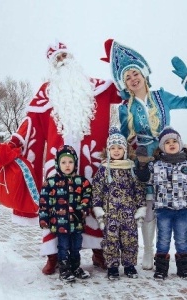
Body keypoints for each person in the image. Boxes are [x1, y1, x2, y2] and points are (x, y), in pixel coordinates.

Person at [0, 41, 122, 275]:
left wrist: (122, 65)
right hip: (58, 162)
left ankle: (99, 252)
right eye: (56, 59)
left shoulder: (96, 87)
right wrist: (15, 142)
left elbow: (123, 91)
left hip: (90, 159)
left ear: (71, 58)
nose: (62, 61)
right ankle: (53, 255)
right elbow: (30, 123)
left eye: (64, 56)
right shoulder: (45, 92)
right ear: (52, 65)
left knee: (94, 205)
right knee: (56, 208)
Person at [101, 39, 187, 270]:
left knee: (169, 204)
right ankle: (149, 251)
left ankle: (172, 251)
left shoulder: (162, 96)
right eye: (127, 77)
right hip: (141, 160)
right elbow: (117, 134)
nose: (133, 79)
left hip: (168, 157)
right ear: (124, 84)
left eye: (135, 73)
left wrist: (186, 78)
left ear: (144, 73)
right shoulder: (124, 107)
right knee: (149, 206)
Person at [92, 127, 147, 280]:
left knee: (130, 240)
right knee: (111, 241)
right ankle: (113, 266)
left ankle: (129, 265)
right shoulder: (104, 169)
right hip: (110, 214)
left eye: (119, 148)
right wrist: (99, 213)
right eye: (113, 148)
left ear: (125, 150)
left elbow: (138, 190)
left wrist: (140, 209)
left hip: (128, 214)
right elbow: (97, 191)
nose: (116, 151)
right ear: (108, 150)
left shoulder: (131, 168)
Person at [136, 127, 187, 279]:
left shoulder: (185, 164)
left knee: (182, 238)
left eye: (174, 141)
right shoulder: (156, 165)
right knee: (163, 238)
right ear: (162, 147)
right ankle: (161, 268)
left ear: (180, 144)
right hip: (164, 209)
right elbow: (144, 178)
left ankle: (183, 267)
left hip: (183, 208)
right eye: (167, 142)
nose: (171, 144)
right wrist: (143, 165)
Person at [39, 145, 92, 283]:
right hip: (60, 223)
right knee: (63, 246)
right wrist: (44, 218)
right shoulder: (51, 182)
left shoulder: (81, 181)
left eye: (70, 162)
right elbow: (44, 201)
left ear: (75, 163)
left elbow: (88, 196)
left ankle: (75, 267)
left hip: (77, 222)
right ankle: (64, 269)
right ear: (58, 164)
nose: (67, 165)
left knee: (76, 246)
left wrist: (84, 208)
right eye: (63, 162)